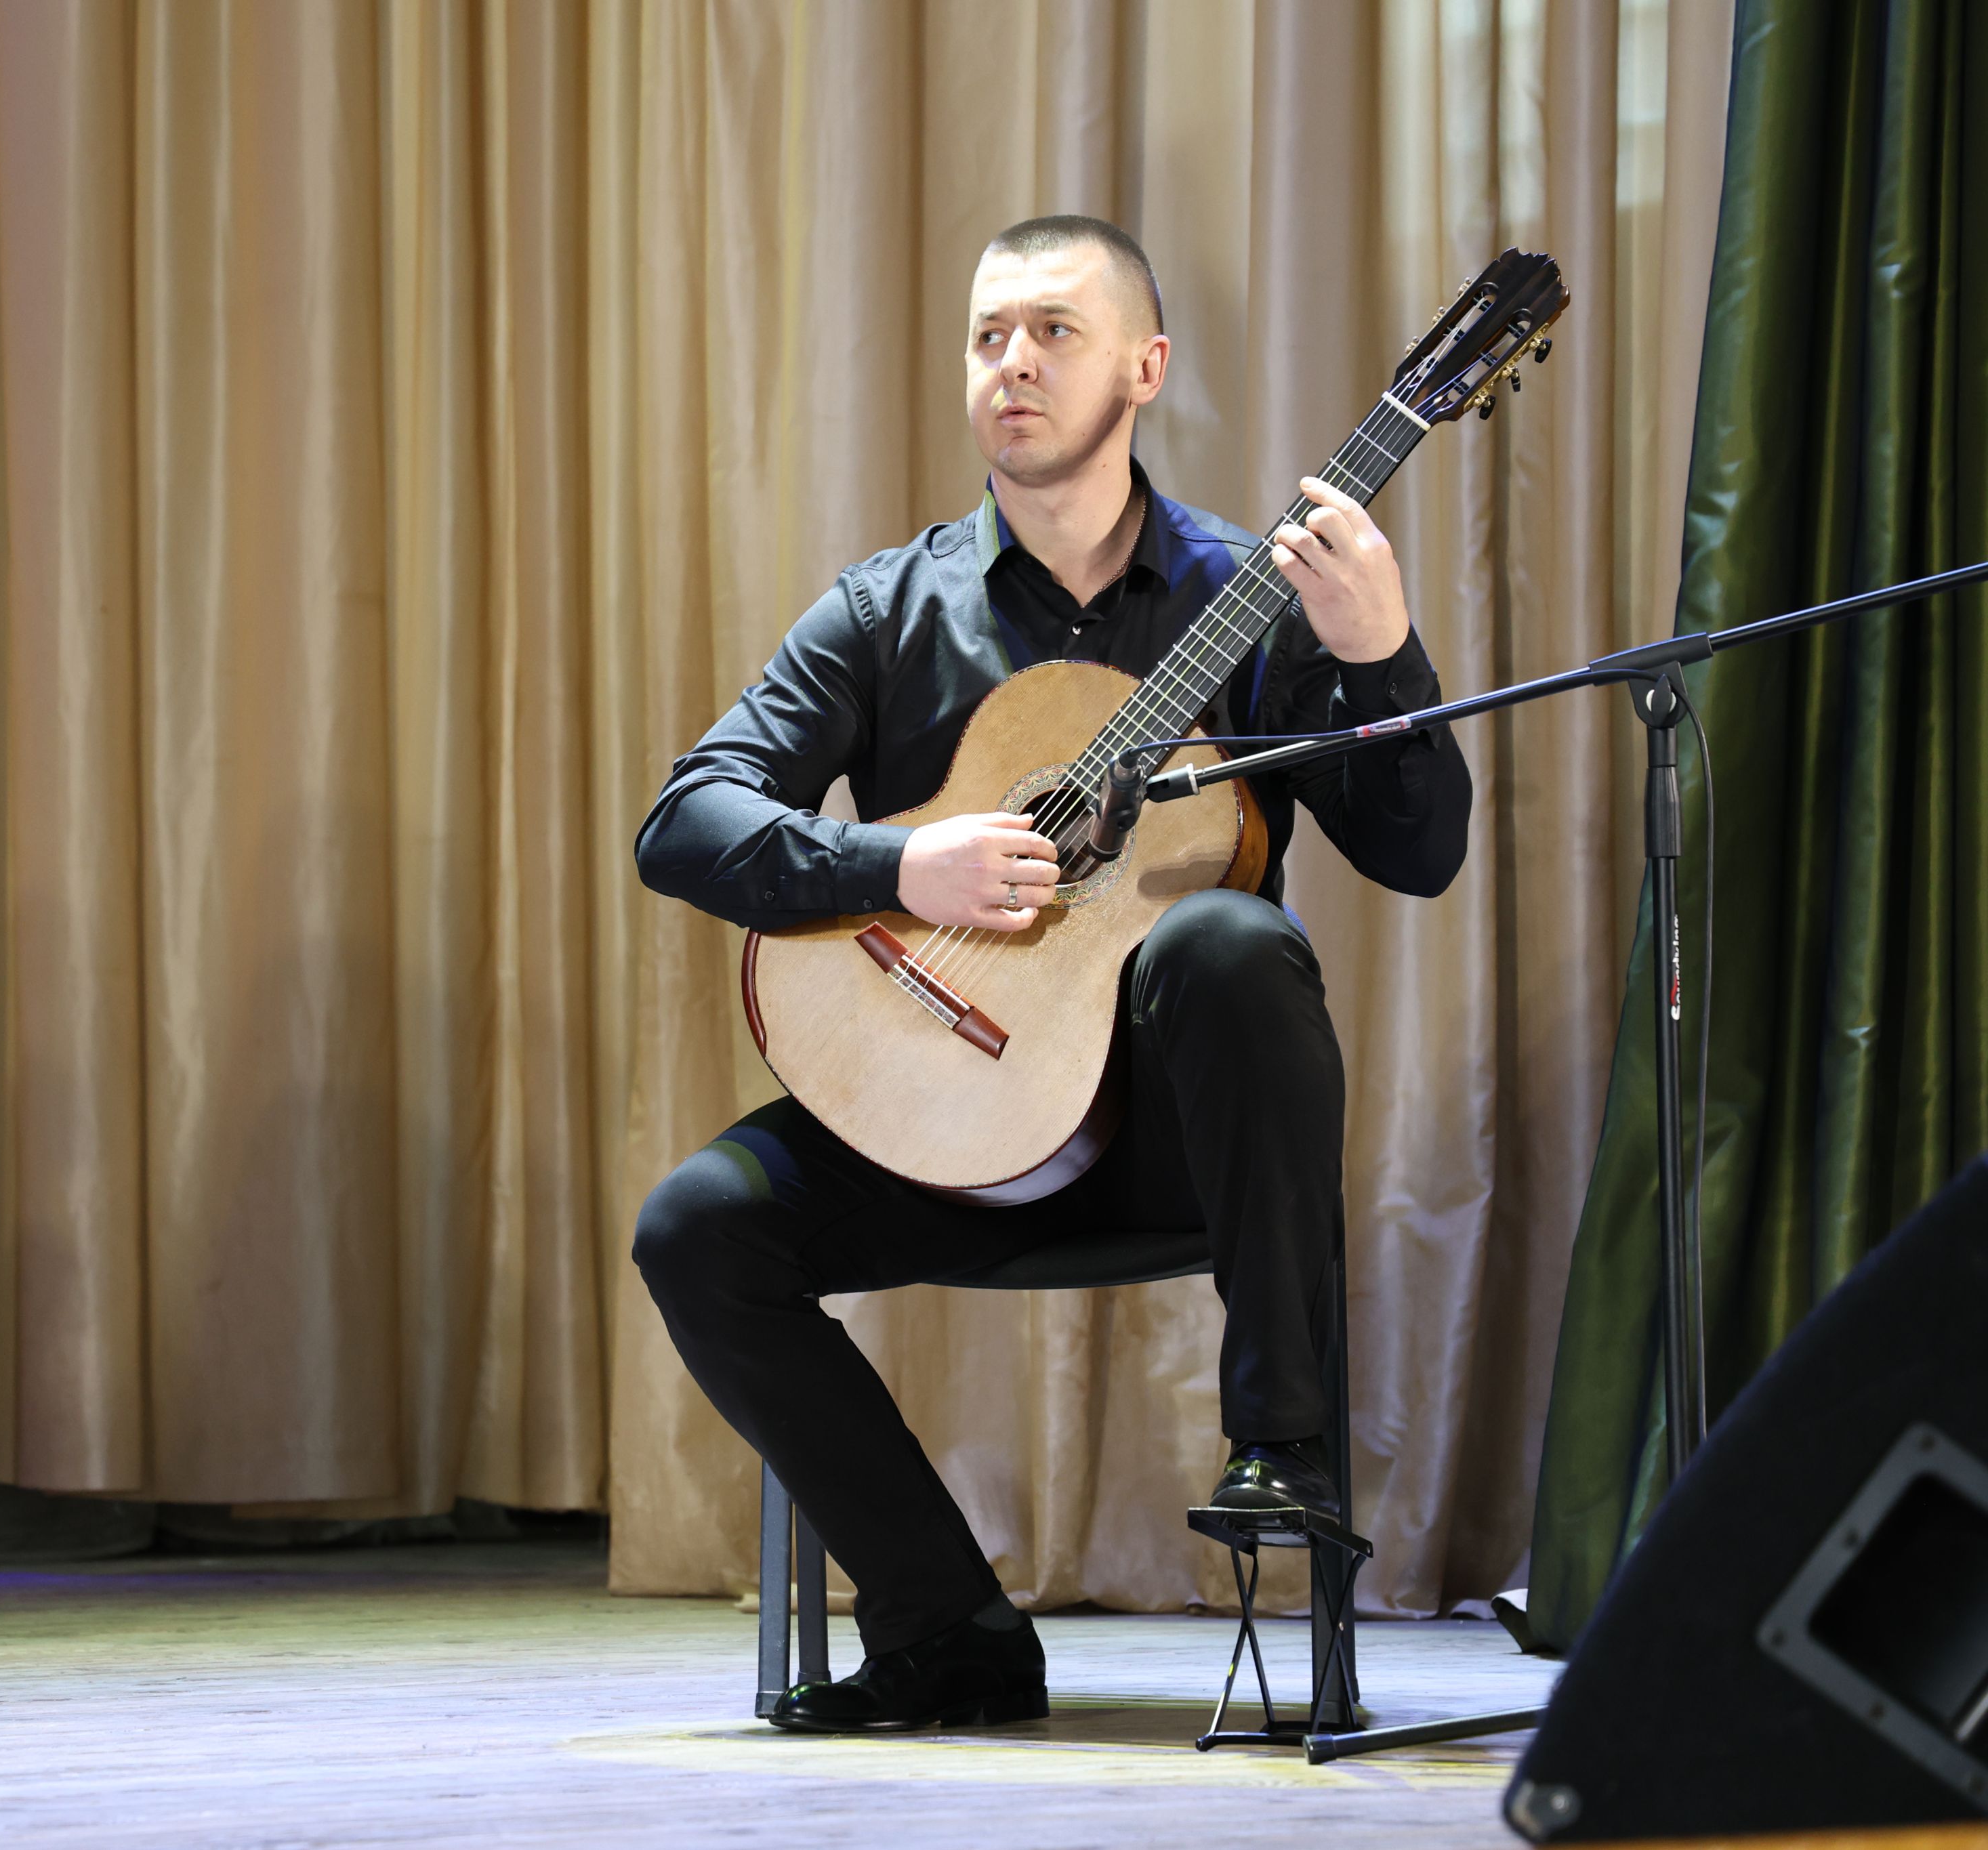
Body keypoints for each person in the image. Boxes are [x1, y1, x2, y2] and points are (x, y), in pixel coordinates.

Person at [628, 214, 1472, 1733]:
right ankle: (946, 1628)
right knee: (697, 1228)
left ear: (1146, 368)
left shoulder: (1251, 596)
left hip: (1175, 1139)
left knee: (1226, 936)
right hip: (948, 1115)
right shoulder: (887, 606)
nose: (1010, 363)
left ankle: (1276, 1453)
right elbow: (683, 822)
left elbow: (1420, 855)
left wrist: (1380, 656)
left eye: (1053, 332)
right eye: (987, 336)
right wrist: (899, 868)